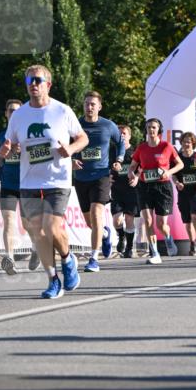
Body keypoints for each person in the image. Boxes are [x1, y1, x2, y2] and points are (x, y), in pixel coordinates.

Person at [0, 65, 88, 299]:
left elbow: (83, 138)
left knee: (51, 228)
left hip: (57, 179)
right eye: (29, 79)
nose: (33, 84)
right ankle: (52, 279)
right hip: (29, 181)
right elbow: (8, 149)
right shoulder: (19, 115)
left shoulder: (61, 111)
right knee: (36, 232)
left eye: (38, 80)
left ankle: (68, 260)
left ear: (48, 84)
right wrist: (7, 151)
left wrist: (70, 149)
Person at [0, 98, 40, 274]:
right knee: (8, 220)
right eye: (10, 110)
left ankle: (36, 247)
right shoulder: (3, 135)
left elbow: (39, 154)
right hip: (7, 184)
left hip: (26, 184)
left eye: (17, 110)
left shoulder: (29, 132)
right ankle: (9, 258)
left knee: (27, 223)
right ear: (6, 114)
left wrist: (23, 150)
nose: (13, 113)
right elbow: (3, 154)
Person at [73, 91, 125, 273]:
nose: (89, 107)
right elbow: (63, 143)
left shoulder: (108, 125)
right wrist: (71, 159)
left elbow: (120, 143)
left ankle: (93, 258)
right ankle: (104, 233)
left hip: (101, 175)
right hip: (80, 178)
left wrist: (118, 160)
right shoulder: (76, 125)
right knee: (90, 222)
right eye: (87, 104)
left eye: (93, 104)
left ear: (99, 107)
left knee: (97, 214)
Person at [128, 118, 183, 264]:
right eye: (149, 127)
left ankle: (168, 238)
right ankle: (155, 253)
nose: (151, 130)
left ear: (159, 130)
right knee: (148, 220)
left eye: (154, 127)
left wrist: (169, 172)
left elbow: (180, 164)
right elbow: (132, 166)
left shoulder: (167, 146)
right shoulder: (142, 148)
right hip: (145, 187)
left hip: (163, 187)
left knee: (161, 224)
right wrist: (132, 175)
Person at [175, 131, 196, 255]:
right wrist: (177, 183)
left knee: (195, 215)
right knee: (187, 221)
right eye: (184, 142)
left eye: (189, 142)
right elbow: (174, 174)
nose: (186, 144)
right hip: (183, 191)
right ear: (181, 143)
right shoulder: (178, 157)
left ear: (193, 143)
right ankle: (192, 242)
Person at [110, 124, 138, 258]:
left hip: (132, 190)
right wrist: (107, 177)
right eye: (119, 133)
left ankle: (130, 247)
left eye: (124, 133)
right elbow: (105, 167)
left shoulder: (135, 151)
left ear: (130, 136)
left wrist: (137, 178)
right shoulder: (112, 151)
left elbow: (142, 167)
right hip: (116, 190)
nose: (121, 135)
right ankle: (121, 237)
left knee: (129, 219)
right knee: (117, 220)